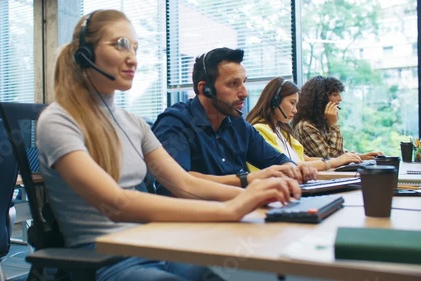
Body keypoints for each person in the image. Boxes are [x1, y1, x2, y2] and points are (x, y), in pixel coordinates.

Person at [36, 10, 301, 281]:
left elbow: (185, 184)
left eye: (136, 48)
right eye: (121, 45)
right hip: (104, 258)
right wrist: (230, 208)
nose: (133, 58)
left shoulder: (134, 123)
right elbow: (116, 203)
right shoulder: (58, 120)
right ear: (85, 54)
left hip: (156, 244)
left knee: (247, 273)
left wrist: (257, 192)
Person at [152, 47, 317, 196]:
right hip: (191, 222)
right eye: (233, 84)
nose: (244, 93)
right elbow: (177, 182)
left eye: (244, 82)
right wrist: (247, 179)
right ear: (205, 89)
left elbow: (276, 159)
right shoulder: (175, 123)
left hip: (237, 212)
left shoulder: (238, 124)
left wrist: (294, 167)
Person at [245, 77, 363, 171]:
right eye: (292, 103)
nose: (295, 110)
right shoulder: (260, 130)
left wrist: (352, 158)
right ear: (274, 101)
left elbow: (304, 159)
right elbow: (291, 167)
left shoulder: (281, 130)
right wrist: (334, 162)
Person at [291, 76, 382, 160]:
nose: (340, 99)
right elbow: (332, 157)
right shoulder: (305, 126)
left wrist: (361, 156)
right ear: (320, 99)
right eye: (335, 95)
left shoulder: (321, 122)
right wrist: (334, 125)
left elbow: (338, 152)